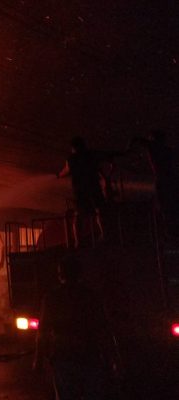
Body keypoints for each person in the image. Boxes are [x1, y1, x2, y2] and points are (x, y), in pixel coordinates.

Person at [33, 255, 117, 399]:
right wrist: (112, 359)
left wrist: (38, 359)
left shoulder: (52, 298)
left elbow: (43, 331)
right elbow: (104, 329)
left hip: (63, 356)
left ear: (60, 275)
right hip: (89, 356)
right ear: (80, 273)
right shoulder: (91, 296)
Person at [57, 136, 110, 247]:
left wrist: (58, 175)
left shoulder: (72, 158)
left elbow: (66, 170)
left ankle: (78, 242)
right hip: (94, 187)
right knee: (99, 210)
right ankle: (105, 236)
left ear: (73, 147)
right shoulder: (90, 156)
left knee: (78, 215)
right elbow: (98, 168)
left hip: (80, 190)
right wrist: (104, 179)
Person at [129, 129, 179, 237]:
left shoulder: (154, 147)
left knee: (165, 206)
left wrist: (129, 149)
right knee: (173, 206)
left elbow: (137, 139)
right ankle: (173, 231)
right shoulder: (169, 150)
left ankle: (170, 232)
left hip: (163, 181)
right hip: (173, 180)